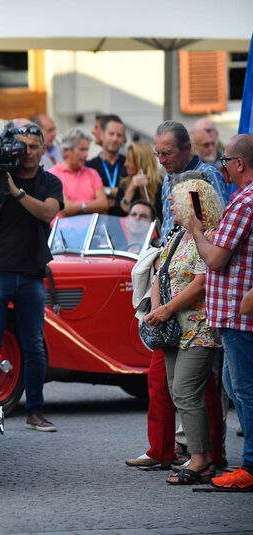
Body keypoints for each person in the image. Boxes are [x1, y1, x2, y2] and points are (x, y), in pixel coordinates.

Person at [0, 123, 63, 432]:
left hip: (31, 271)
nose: (29, 153)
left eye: (35, 147)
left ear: (44, 148)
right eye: (23, 147)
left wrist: (15, 192)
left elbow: (48, 213)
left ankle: (35, 412)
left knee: (34, 344)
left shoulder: (49, 182)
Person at [125, 173, 224, 473]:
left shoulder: (205, 235)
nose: (170, 206)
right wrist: (157, 308)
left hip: (197, 328)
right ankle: (199, 456)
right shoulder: (179, 235)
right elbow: (162, 272)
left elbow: (201, 282)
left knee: (185, 390)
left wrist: (165, 309)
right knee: (176, 389)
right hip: (174, 329)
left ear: (190, 203)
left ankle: (201, 458)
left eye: (176, 201)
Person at [191, 133, 253, 491]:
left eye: (226, 161)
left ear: (240, 164)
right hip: (234, 313)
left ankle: (251, 466)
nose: (223, 167)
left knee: (244, 390)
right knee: (235, 385)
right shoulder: (242, 199)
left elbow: (214, 258)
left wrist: (198, 232)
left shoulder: (244, 200)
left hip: (238, 314)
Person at [155, 120, 228, 239]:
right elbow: (167, 224)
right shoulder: (168, 178)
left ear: (187, 148)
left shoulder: (209, 174)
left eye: (167, 153)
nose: (161, 160)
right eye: (157, 154)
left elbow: (223, 225)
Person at [50, 128, 109, 218]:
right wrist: (92, 206)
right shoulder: (52, 175)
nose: (86, 154)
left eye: (87, 150)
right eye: (82, 150)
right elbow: (66, 209)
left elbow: (104, 204)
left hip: (92, 230)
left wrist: (80, 207)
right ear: (67, 150)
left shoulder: (92, 173)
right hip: (65, 231)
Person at [86, 117, 127, 215]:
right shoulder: (89, 166)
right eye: (111, 134)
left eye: (119, 135)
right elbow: (88, 194)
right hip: (97, 223)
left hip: (123, 224)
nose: (114, 139)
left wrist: (103, 191)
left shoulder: (129, 165)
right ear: (102, 135)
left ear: (123, 139)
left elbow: (133, 194)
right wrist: (118, 194)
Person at [117, 142, 163, 220]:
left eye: (129, 160)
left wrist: (143, 190)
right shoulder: (124, 183)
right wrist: (131, 187)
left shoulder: (160, 185)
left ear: (141, 163)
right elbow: (121, 213)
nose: (125, 164)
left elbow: (156, 217)